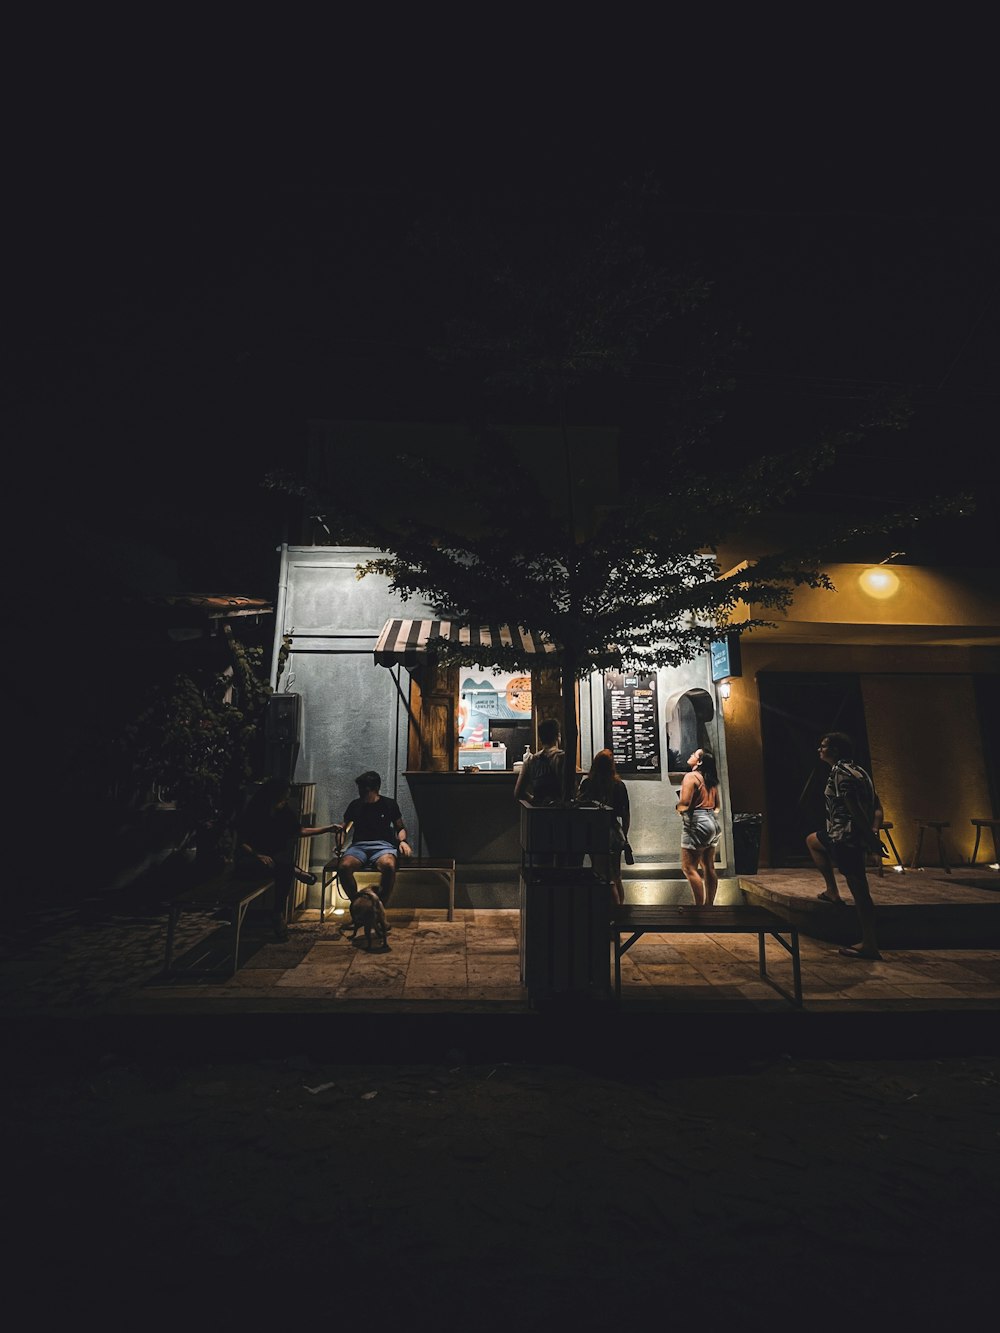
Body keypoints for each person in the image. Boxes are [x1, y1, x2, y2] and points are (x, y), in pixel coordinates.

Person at [806, 731, 884, 959]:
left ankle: (870, 943)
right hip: (840, 834)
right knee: (812, 840)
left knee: (860, 891)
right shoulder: (860, 771)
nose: (820, 750)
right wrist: (873, 830)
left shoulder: (840, 773)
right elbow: (877, 805)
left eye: (824, 746)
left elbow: (853, 808)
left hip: (845, 837)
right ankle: (832, 890)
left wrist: (870, 840)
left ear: (836, 751)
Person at [235, 776, 338, 940]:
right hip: (251, 859)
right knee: (284, 868)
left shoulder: (284, 811)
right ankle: (280, 909)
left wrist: (328, 829)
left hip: (274, 860)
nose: (286, 800)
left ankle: (279, 909)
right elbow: (241, 841)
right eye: (284, 797)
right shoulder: (254, 811)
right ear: (274, 796)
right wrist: (257, 855)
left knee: (283, 868)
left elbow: (299, 831)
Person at [337, 770, 411, 906]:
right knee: (344, 867)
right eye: (360, 790)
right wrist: (340, 840)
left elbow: (399, 827)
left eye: (364, 790)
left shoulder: (389, 804)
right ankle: (357, 905)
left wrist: (403, 842)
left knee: (389, 865)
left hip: (383, 846)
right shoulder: (355, 805)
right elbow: (344, 828)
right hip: (359, 846)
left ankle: (379, 906)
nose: (361, 793)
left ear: (375, 789)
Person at [577, 748, 630, 905]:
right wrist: (624, 837)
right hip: (614, 832)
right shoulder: (618, 785)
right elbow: (626, 815)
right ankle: (620, 909)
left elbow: (581, 807)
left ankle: (611, 911)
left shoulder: (588, 784)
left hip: (595, 832)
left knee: (601, 872)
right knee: (616, 874)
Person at [676, 747, 722, 906]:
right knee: (708, 866)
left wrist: (678, 808)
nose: (690, 755)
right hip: (713, 823)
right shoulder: (711, 780)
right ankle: (710, 906)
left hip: (697, 823)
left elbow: (685, 803)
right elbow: (717, 807)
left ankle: (699, 910)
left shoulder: (691, 776)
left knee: (689, 867)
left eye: (693, 754)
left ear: (699, 762)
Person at [513, 718, 565, 805]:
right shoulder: (562, 758)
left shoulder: (530, 761)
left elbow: (518, 793)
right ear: (558, 736)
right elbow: (571, 790)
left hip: (537, 814)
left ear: (540, 739)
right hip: (560, 813)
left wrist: (535, 800)